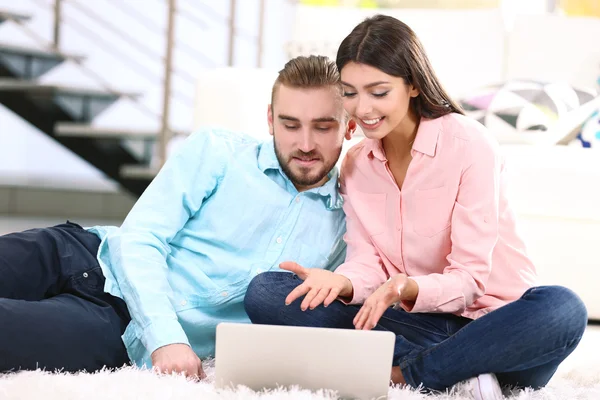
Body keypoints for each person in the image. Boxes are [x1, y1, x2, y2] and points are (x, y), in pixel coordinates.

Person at [244, 15, 588, 399]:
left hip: (496, 327)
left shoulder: (470, 145)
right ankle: (456, 372)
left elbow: (471, 280)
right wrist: (341, 282)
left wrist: (406, 287)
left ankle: (405, 375)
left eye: (378, 92)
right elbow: (367, 261)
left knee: (563, 308)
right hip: (416, 325)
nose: (362, 108)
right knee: (267, 293)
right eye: (350, 93)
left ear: (411, 85)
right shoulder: (357, 165)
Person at [0, 55, 356, 378]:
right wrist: (167, 339)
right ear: (270, 119)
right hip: (82, 250)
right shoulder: (218, 150)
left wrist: (165, 339)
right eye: (291, 125)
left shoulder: (349, 227)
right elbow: (139, 236)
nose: (306, 144)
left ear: (348, 128)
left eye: (323, 127)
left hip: (115, 325)